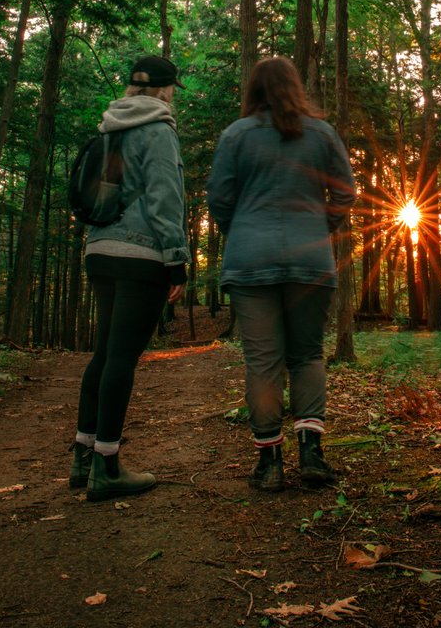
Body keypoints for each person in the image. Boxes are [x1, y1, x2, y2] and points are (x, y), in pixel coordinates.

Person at [207, 56, 355, 493]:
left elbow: (219, 198)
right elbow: (345, 192)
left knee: (262, 361)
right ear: (296, 87)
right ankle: (311, 454)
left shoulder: (236, 135)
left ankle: (269, 463)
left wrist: (241, 231)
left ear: (253, 90)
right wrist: (320, 227)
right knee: (306, 354)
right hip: (311, 260)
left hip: (250, 261)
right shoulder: (322, 134)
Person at [69, 54, 190, 503]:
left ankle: (83, 458)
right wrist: (176, 260)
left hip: (100, 249)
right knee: (121, 358)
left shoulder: (110, 125)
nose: (173, 95)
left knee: (104, 354)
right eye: (172, 88)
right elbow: (165, 196)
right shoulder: (158, 129)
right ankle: (107, 468)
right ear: (164, 89)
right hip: (141, 255)